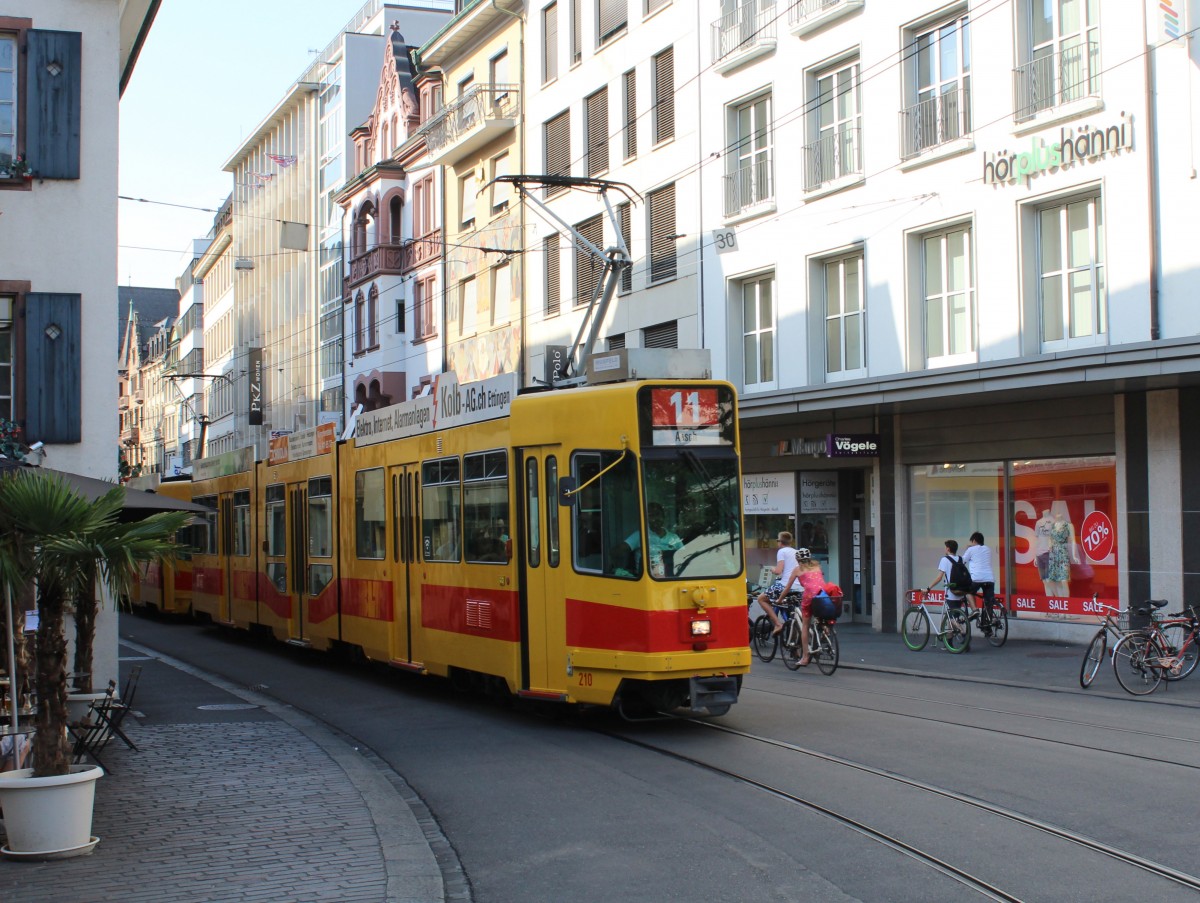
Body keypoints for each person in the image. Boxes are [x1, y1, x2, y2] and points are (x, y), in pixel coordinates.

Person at [779, 547, 827, 666]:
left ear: (797, 560)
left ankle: (805, 657)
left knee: (805, 626)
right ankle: (826, 631)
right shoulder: (817, 566)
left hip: (809, 596)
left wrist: (779, 599)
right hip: (824, 595)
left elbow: (787, 587)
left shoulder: (797, 569)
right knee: (820, 617)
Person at [623, 502, 683, 577]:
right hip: (646, 580)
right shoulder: (640, 535)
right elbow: (618, 551)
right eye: (651, 516)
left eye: (658, 514)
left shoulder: (674, 537)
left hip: (671, 578)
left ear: (663, 516)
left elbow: (684, 557)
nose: (655, 519)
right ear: (646, 519)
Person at [756, 531, 797, 635]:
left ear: (780, 542)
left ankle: (778, 624)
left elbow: (778, 571)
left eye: (777, 540)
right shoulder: (796, 552)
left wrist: (772, 569)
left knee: (761, 599)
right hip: (798, 586)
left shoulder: (782, 551)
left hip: (784, 585)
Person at [961, 531, 997, 632]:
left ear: (974, 540)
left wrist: (968, 549)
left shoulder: (971, 549)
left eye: (971, 541)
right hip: (989, 579)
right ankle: (987, 626)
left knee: (968, 591)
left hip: (977, 579)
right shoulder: (987, 549)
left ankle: (974, 610)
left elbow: (962, 561)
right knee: (988, 602)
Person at [927, 539, 967, 610]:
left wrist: (928, 588)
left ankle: (954, 621)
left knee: (952, 619)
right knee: (956, 616)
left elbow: (939, 578)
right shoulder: (961, 559)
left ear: (948, 549)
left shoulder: (944, 559)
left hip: (951, 593)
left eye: (945, 548)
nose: (945, 549)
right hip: (961, 592)